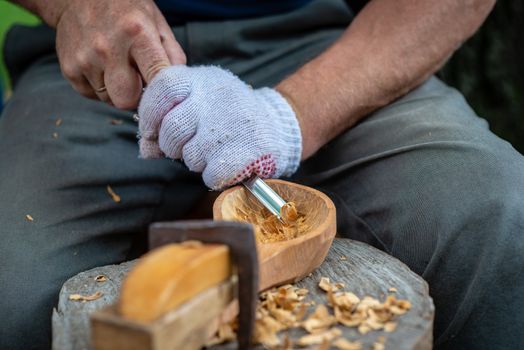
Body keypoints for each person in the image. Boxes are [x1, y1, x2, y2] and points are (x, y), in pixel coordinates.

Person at [1, 0, 523, 349]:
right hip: (104, 63)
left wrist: (284, 120)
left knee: (496, 216)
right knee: (12, 291)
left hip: (336, 51)